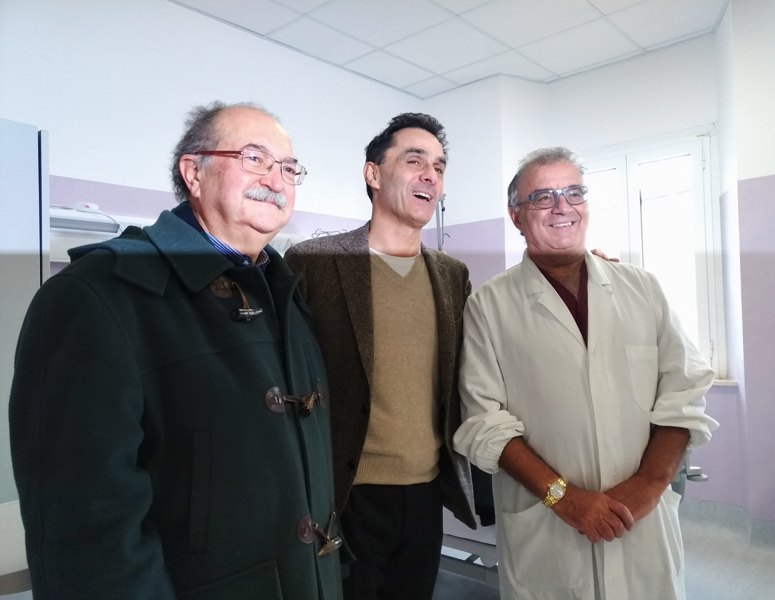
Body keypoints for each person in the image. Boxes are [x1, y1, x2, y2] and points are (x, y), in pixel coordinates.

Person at [10, 102, 344, 600]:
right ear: (194, 172)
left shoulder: (286, 294)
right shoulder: (96, 297)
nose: (276, 180)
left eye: (289, 168)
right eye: (254, 158)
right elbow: (89, 541)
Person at [453, 147, 718, 600]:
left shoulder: (643, 289)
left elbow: (684, 392)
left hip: (641, 524)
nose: (562, 207)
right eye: (543, 197)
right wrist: (563, 498)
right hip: (547, 529)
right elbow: (483, 421)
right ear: (517, 217)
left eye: (574, 193)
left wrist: (649, 485)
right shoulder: (488, 306)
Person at [284, 113, 476, 600]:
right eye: (415, 161)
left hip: (427, 491)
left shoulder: (451, 275)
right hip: (347, 492)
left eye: (439, 166)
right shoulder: (316, 262)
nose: (430, 175)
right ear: (373, 173)